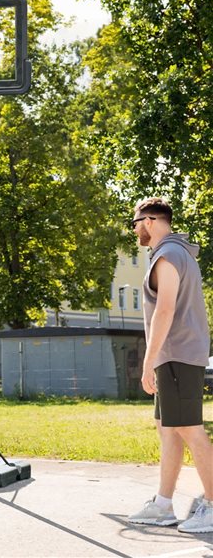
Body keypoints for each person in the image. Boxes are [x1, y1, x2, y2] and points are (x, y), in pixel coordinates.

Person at [128, 197, 212, 533]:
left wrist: (147, 362)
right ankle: (163, 504)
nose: (134, 230)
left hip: (176, 354)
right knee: (170, 430)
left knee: (190, 430)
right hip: (175, 355)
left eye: (134, 223)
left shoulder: (168, 256)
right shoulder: (181, 254)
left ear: (149, 221)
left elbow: (165, 311)